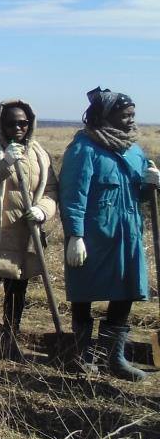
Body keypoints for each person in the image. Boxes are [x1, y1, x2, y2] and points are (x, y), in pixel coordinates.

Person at [59, 87, 160, 380]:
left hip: (127, 234)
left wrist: (151, 184)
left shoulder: (134, 150)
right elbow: (73, 195)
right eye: (125, 115)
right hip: (93, 236)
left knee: (126, 291)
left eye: (132, 115)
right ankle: (78, 356)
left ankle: (112, 359)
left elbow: (137, 192)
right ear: (106, 116)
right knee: (84, 294)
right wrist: (74, 235)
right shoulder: (84, 148)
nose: (131, 120)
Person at [0, 99, 58, 360]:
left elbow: (51, 191)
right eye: (12, 122)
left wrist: (42, 211)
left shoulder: (41, 155)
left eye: (23, 123)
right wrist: (4, 164)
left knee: (18, 291)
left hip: (25, 236)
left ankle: (9, 341)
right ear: (0, 124)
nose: (18, 127)